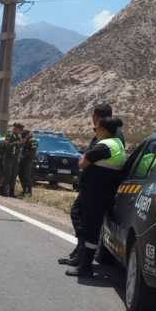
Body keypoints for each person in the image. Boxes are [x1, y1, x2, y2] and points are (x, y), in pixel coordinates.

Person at [60, 104, 124, 267]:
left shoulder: (108, 137)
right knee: (79, 216)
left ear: (98, 118)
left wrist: (85, 159)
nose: (92, 121)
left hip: (97, 190)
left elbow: (86, 160)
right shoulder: (108, 134)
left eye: (93, 116)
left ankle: (83, 257)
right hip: (92, 188)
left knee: (85, 222)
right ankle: (80, 253)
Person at [0, 124, 24, 197]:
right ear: (16, 128)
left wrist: (21, 143)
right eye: (19, 129)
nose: (20, 131)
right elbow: (7, 145)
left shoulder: (18, 136)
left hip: (15, 158)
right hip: (8, 158)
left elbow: (19, 147)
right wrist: (16, 143)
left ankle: (11, 192)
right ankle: (2, 190)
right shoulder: (9, 135)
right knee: (7, 174)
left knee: (13, 175)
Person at [18, 130, 39, 197]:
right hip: (23, 160)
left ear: (28, 134)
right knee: (21, 175)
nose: (25, 137)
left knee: (26, 176)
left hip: (28, 161)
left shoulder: (33, 140)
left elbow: (32, 152)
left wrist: (24, 155)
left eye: (25, 135)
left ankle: (29, 192)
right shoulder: (26, 140)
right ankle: (24, 190)